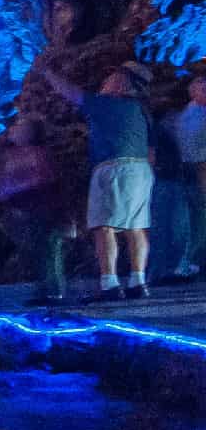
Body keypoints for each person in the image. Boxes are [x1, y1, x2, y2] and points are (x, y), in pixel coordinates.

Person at [44, 60, 155, 301]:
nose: (104, 81)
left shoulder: (108, 104)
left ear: (122, 83)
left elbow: (73, 94)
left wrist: (47, 72)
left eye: (112, 76)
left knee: (104, 226)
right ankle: (138, 282)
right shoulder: (139, 110)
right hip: (141, 169)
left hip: (113, 168)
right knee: (135, 226)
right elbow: (151, 149)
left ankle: (110, 284)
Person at [0, 118, 75, 306]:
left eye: (19, 127)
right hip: (27, 211)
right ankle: (47, 289)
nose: (13, 129)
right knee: (40, 251)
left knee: (47, 250)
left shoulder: (36, 154)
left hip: (41, 209)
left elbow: (44, 181)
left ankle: (53, 291)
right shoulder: (14, 155)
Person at [168, 74, 206, 281]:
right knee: (197, 216)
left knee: (199, 215)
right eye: (200, 87)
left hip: (198, 166)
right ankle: (189, 261)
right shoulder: (190, 113)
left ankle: (190, 261)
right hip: (194, 167)